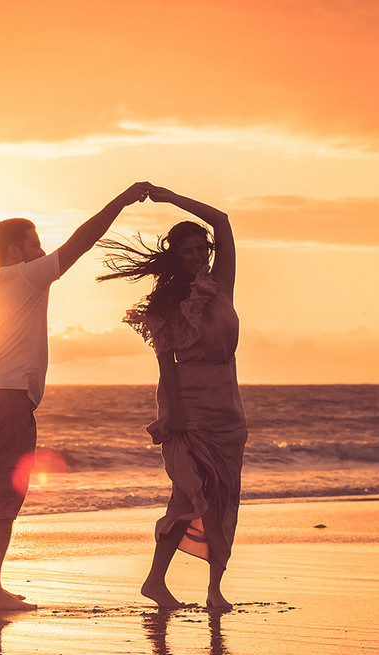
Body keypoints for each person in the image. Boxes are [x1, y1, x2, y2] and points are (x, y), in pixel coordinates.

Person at [0, 182, 150, 610]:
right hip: (7, 400)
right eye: (34, 244)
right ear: (14, 252)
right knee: (3, 501)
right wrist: (120, 200)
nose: (42, 251)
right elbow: (81, 243)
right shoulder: (25, 277)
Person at [98, 186, 246, 611]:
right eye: (188, 251)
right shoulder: (168, 303)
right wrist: (175, 413)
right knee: (186, 496)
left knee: (223, 497)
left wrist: (165, 195)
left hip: (228, 405)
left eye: (203, 249)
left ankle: (214, 589)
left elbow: (222, 218)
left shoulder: (221, 286)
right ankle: (155, 582)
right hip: (189, 403)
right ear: (175, 257)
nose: (199, 256)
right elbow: (165, 364)